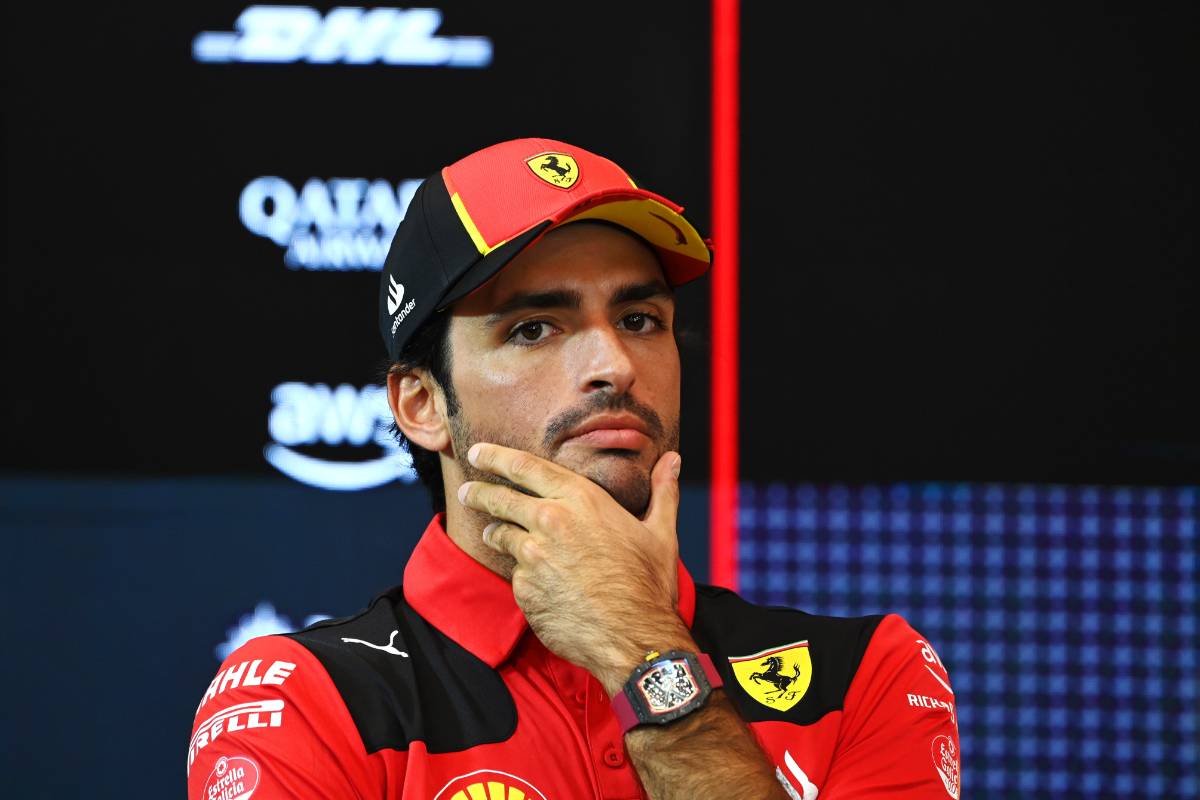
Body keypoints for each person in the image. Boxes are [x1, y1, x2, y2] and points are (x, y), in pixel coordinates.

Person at [187, 138, 961, 800]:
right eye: (534, 328)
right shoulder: (306, 702)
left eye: (639, 319)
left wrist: (639, 647)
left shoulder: (863, 676)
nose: (614, 365)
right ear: (422, 405)